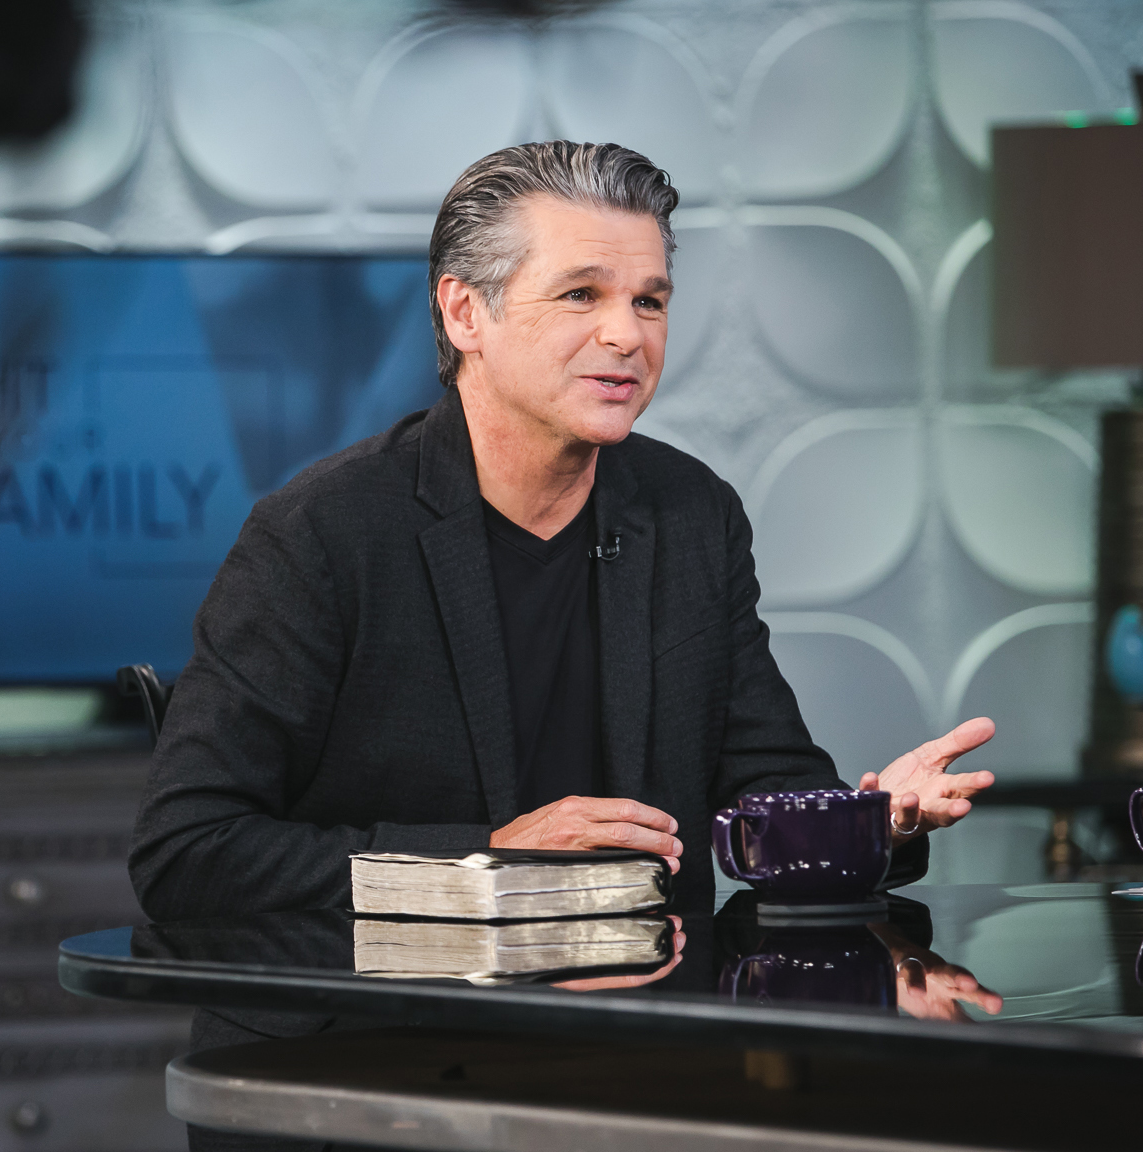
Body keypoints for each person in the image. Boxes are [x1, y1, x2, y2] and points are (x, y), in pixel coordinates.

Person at [127, 143, 996, 1141]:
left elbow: (764, 790)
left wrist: (871, 822)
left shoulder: (691, 515)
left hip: (634, 1076)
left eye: (650, 301)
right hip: (363, 1076)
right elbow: (186, 854)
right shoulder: (320, 534)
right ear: (465, 313)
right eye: (582, 294)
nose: (626, 335)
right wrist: (484, 861)